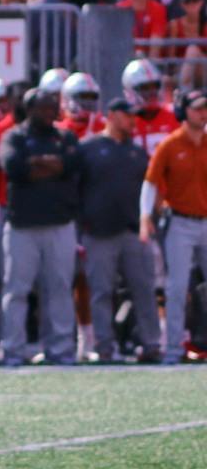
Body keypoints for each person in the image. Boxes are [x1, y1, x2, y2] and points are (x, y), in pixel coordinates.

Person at [0, 85, 83, 365]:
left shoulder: (64, 136)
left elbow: (73, 164)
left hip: (59, 222)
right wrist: (51, 165)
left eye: (52, 107)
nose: (49, 112)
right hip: (23, 225)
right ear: (30, 109)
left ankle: (60, 348)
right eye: (44, 107)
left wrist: (37, 165)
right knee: (17, 290)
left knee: (59, 288)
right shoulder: (15, 136)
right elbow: (13, 167)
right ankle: (13, 348)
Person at [78, 97, 158, 364]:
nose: (133, 120)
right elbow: (75, 187)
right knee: (101, 291)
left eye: (135, 116)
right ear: (111, 115)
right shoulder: (88, 148)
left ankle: (151, 344)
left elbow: (150, 188)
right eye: (128, 115)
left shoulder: (136, 152)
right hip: (98, 231)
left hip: (133, 230)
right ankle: (104, 346)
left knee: (144, 289)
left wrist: (150, 218)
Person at [143, 89, 207, 364]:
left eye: (205, 108)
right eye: (197, 108)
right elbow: (150, 183)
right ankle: (173, 349)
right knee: (177, 288)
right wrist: (145, 216)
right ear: (183, 112)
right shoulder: (170, 145)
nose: (203, 114)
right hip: (180, 222)